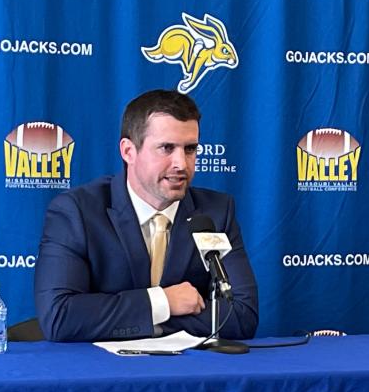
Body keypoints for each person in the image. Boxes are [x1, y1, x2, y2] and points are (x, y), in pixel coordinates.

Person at [34, 89, 258, 342]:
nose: (181, 164)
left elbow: (241, 317)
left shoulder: (216, 212)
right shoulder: (76, 211)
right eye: (166, 148)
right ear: (129, 151)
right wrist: (163, 302)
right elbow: (60, 317)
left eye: (190, 149)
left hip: (188, 374)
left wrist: (132, 318)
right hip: (100, 373)